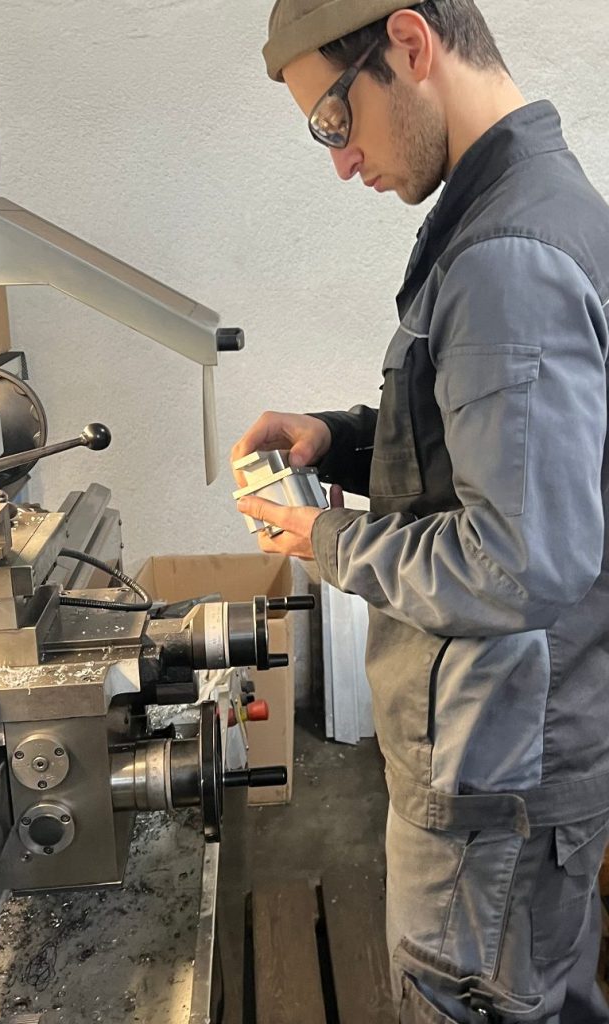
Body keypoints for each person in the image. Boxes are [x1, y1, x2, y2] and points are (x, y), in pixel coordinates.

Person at [231, 2, 609, 1021]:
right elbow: (495, 454)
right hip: (515, 765)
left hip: (492, 783)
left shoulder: (507, 256)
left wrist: (330, 539)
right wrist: (338, 438)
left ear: (408, 44)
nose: (341, 161)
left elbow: (520, 560)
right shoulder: (534, 210)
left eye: (334, 119)